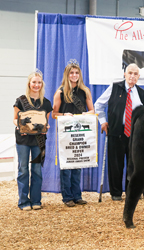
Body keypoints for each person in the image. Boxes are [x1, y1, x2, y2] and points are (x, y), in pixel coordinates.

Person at [94, 63, 144, 201]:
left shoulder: (143, 94)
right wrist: (103, 121)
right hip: (116, 132)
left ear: (138, 77)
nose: (132, 76)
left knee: (134, 165)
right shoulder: (114, 87)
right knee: (115, 165)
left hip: (135, 135)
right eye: (130, 73)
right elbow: (98, 105)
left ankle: (132, 192)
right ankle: (116, 193)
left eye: (135, 74)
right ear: (124, 74)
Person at [52, 59, 94, 207]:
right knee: (67, 166)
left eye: (76, 73)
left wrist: (85, 114)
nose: (74, 75)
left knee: (78, 164)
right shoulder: (61, 92)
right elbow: (54, 113)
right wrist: (65, 116)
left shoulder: (85, 91)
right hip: (66, 133)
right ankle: (67, 197)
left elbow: (92, 110)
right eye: (72, 73)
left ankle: (77, 195)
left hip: (80, 132)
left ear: (79, 75)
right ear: (67, 75)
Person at [13, 70, 52, 210]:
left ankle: (36, 201)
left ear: (42, 84)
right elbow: (15, 119)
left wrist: (46, 126)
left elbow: (45, 122)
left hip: (39, 141)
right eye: (34, 82)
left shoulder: (46, 103)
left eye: (39, 82)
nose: (36, 85)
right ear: (29, 83)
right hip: (23, 140)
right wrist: (19, 127)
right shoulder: (20, 100)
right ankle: (23, 201)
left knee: (36, 170)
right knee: (23, 169)